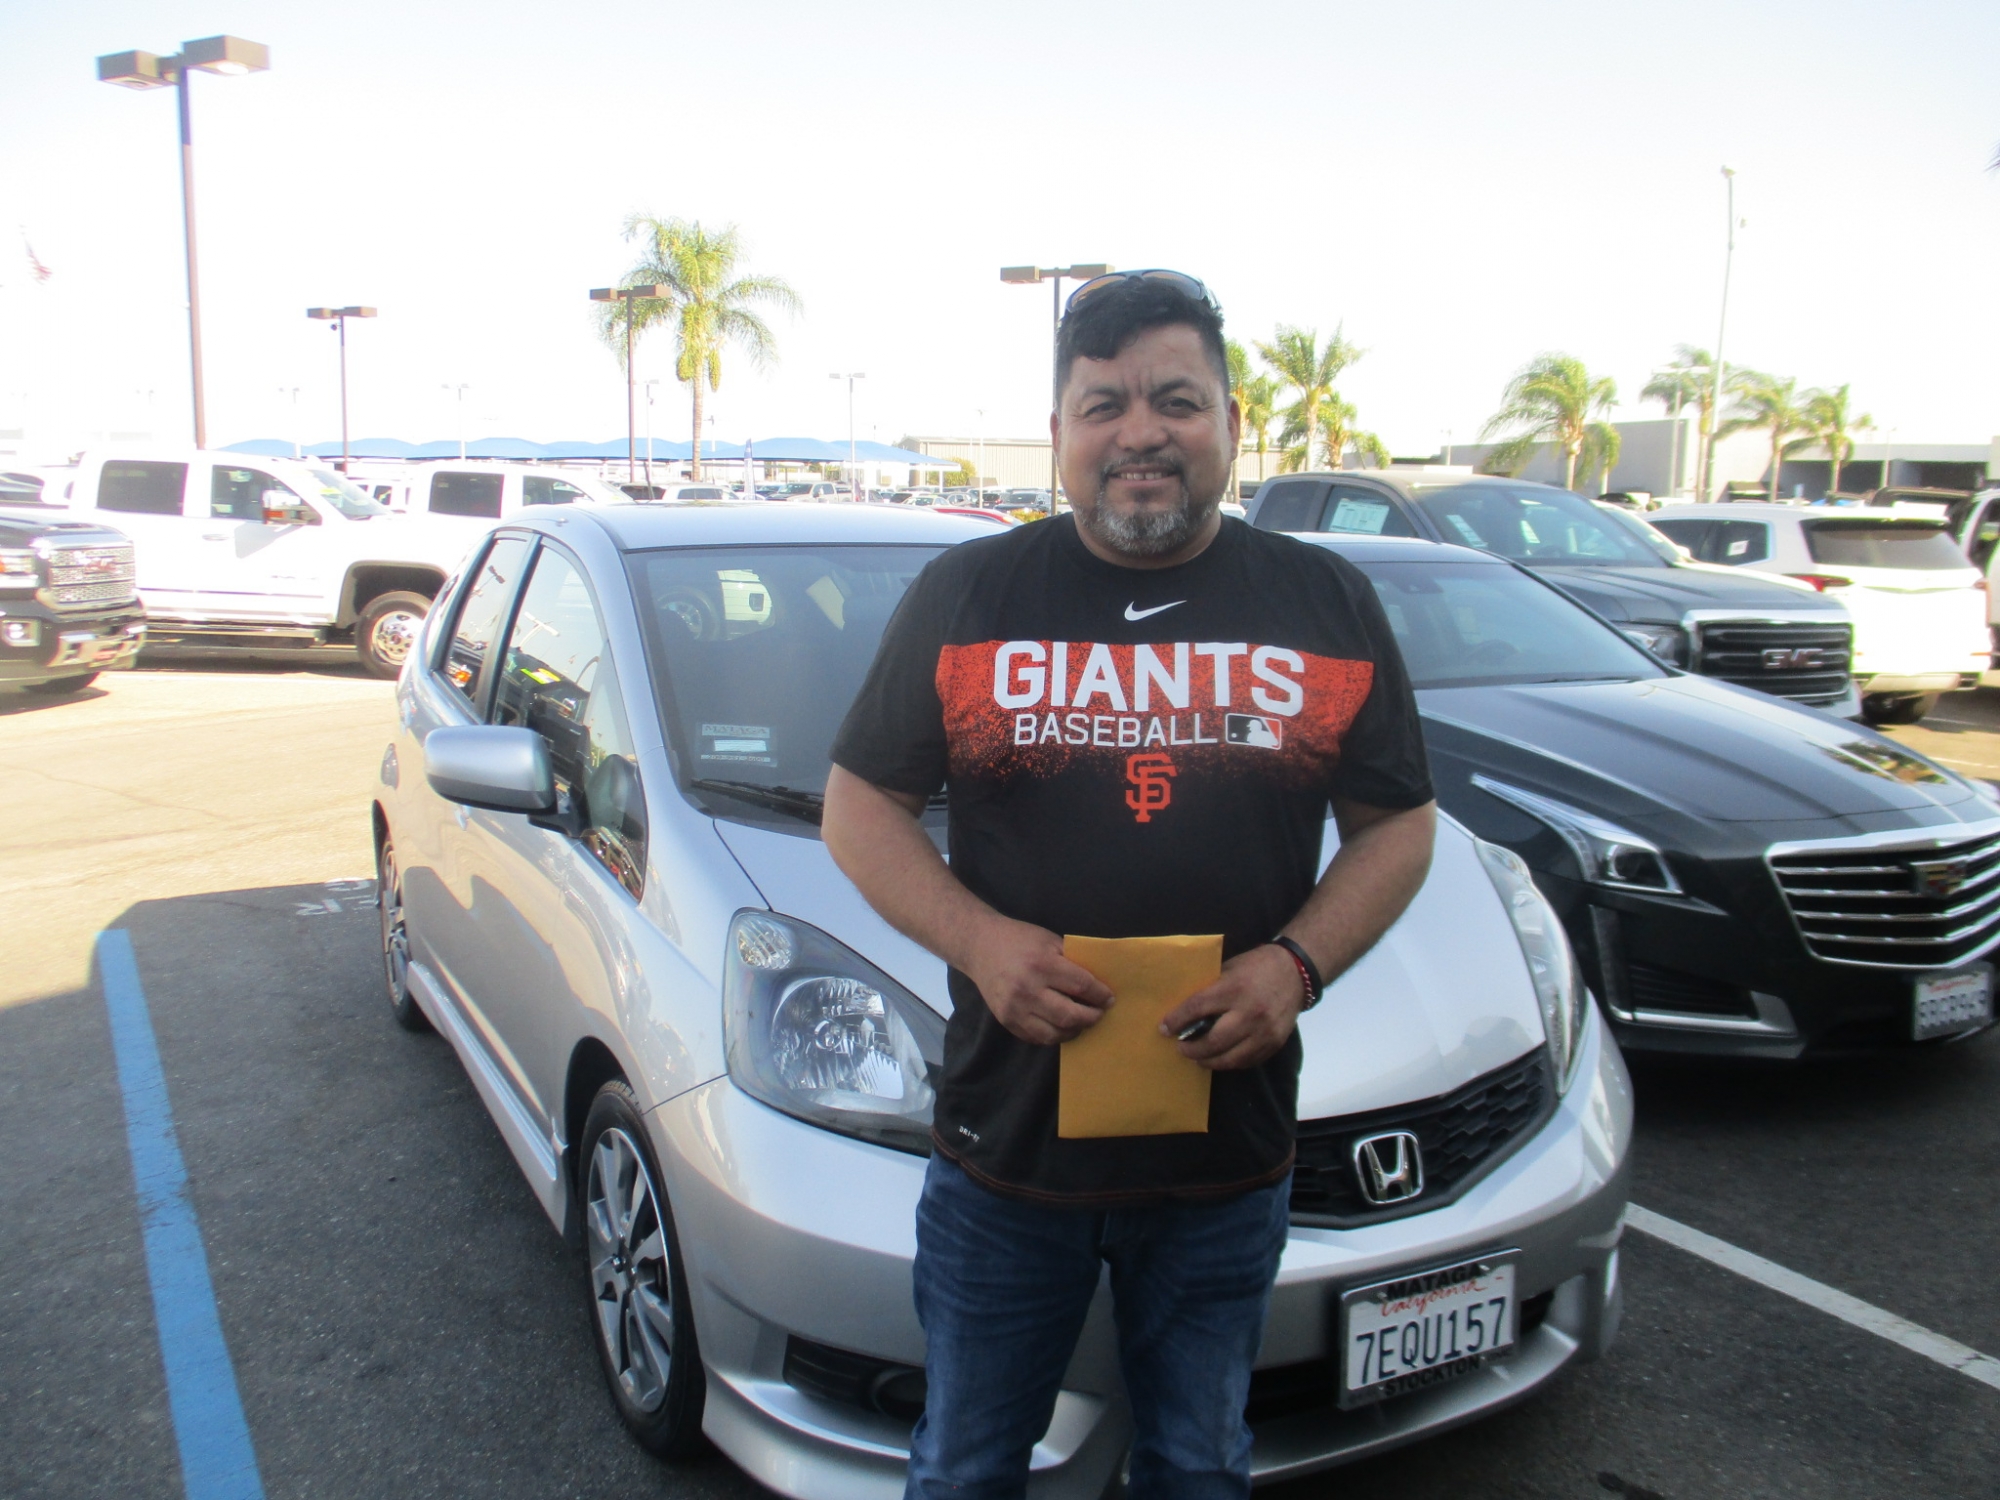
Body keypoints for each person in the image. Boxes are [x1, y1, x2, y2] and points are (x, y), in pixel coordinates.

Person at [822, 270, 1437, 1500]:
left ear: (1230, 423)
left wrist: (1294, 967)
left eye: (1175, 400)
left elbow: (1397, 828)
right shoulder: (969, 596)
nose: (1139, 433)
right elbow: (859, 806)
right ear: (1057, 431)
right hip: (1006, 1156)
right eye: (1102, 405)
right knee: (964, 1468)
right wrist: (981, 943)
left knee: (1197, 1467)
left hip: (1225, 1162)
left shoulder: (1322, 602)